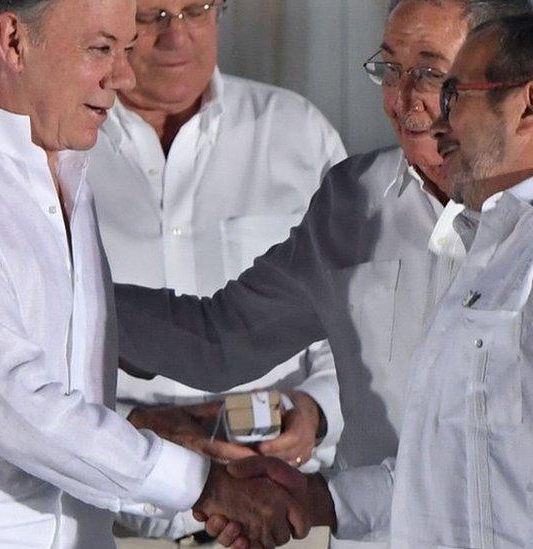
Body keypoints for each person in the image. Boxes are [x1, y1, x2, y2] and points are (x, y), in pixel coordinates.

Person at [0, 1, 307, 547]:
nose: (124, 76)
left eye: (124, 49)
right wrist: (203, 486)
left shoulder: (63, 171)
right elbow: (11, 407)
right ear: (14, 41)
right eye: (100, 49)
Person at [216, 11, 533, 547]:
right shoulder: (501, 238)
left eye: (455, 94)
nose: (435, 119)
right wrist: (320, 500)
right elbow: (455, 464)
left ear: (530, 106)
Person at [86, 0, 345, 545]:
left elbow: (354, 322)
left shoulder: (298, 133)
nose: (175, 37)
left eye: (195, 10)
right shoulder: (62, 145)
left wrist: (315, 410)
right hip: (115, 523)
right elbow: (25, 352)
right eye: (152, 15)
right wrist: (139, 426)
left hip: (285, 517)